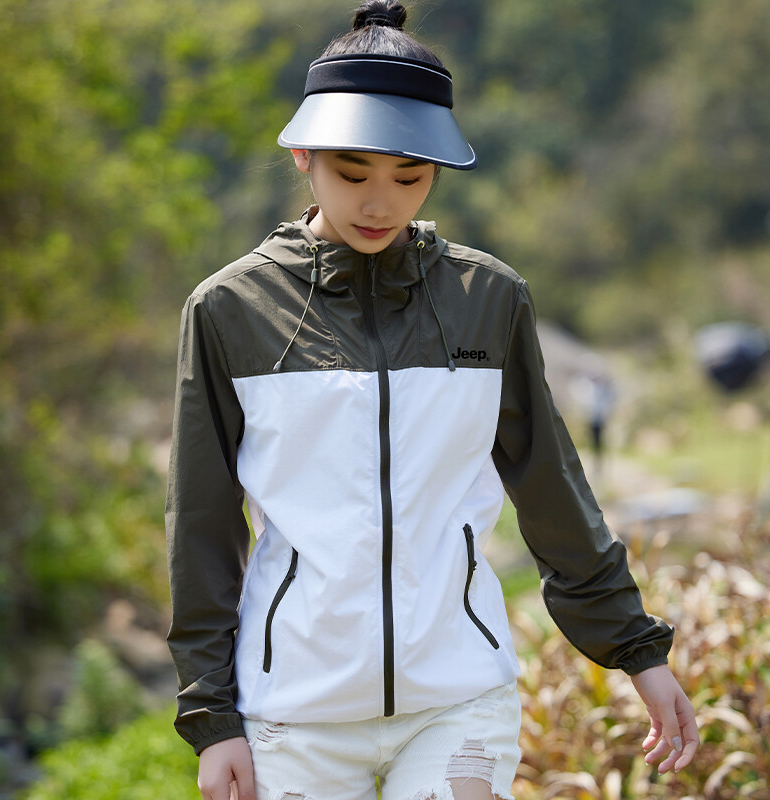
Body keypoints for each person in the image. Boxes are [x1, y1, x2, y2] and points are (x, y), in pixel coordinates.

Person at [165, 3, 700, 799]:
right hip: (294, 713)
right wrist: (213, 720)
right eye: (354, 175)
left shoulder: (489, 299)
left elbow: (551, 488)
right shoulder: (230, 310)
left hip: (459, 698)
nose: (380, 204)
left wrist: (637, 651)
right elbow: (202, 527)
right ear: (303, 154)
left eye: (409, 178)